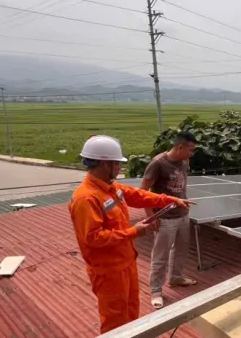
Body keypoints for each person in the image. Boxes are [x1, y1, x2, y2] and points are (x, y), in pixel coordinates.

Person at [69, 135, 192, 334]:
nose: (119, 167)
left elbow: (138, 195)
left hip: (126, 263)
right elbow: (94, 238)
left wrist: (170, 200)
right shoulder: (86, 198)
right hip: (108, 272)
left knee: (131, 312)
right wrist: (134, 231)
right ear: (104, 164)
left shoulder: (110, 187)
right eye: (117, 163)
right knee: (115, 321)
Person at [140, 132, 198, 309]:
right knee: (161, 255)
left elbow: (182, 186)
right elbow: (143, 191)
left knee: (181, 249)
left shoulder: (184, 161)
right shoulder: (158, 163)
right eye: (190, 150)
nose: (192, 154)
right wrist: (150, 216)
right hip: (165, 217)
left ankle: (176, 277)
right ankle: (156, 291)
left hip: (182, 214)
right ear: (180, 147)